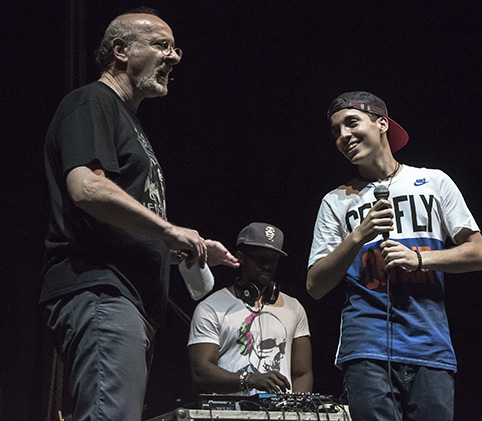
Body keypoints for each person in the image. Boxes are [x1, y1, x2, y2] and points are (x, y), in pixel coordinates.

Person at [40, 7, 237, 421]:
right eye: (162, 45)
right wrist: (169, 231)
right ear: (121, 50)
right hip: (103, 291)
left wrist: (185, 248)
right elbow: (87, 188)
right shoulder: (91, 102)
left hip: (129, 301)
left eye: (175, 47)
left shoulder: (132, 123)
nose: (175, 57)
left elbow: (118, 221)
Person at [307, 91, 482, 420]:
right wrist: (359, 234)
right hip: (366, 347)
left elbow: (478, 254)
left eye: (351, 123)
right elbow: (315, 285)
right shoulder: (334, 201)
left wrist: (419, 259)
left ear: (382, 124)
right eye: (335, 131)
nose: (343, 136)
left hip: (430, 346)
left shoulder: (434, 182)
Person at [188, 222, 313, 395]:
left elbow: (302, 373)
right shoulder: (211, 307)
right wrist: (249, 380)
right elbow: (201, 371)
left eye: (273, 259)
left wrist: (298, 411)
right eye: (260, 257)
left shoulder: (294, 308)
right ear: (241, 256)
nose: (267, 265)